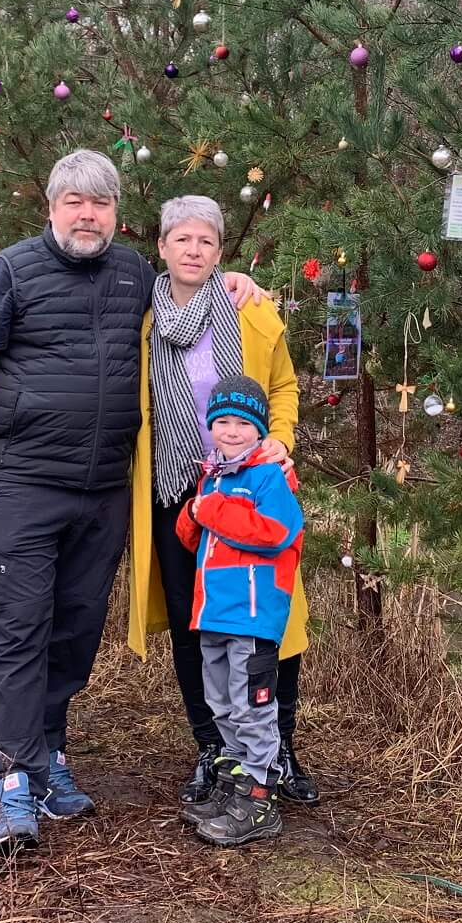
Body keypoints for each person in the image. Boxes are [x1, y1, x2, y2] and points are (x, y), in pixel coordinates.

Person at [0, 151, 273, 851]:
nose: (88, 215)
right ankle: (13, 773)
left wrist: (237, 278)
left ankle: (49, 751)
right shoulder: (10, 273)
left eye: (101, 204)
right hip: (23, 480)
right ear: (51, 206)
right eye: (74, 202)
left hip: (104, 489)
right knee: (19, 625)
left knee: (77, 629)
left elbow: (190, 292)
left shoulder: (132, 279)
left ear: (116, 214)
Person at [125, 196, 320, 806]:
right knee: (194, 622)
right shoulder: (142, 319)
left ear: (219, 251)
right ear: (161, 247)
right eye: (181, 239)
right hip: (173, 493)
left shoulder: (250, 310)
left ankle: (277, 748)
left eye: (205, 241)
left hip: (246, 486)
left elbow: (284, 385)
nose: (193, 250)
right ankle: (214, 747)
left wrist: (280, 441)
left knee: (268, 620)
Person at [174, 374, 304, 846]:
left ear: (259, 429)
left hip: (251, 614)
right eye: (222, 421)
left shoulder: (270, 475)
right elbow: (195, 537)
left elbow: (277, 531)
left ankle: (259, 796)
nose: (230, 431)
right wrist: (192, 515)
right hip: (212, 612)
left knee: (252, 708)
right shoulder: (212, 476)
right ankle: (232, 784)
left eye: (242, 423)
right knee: (222, 704)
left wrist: (209, 510)